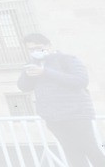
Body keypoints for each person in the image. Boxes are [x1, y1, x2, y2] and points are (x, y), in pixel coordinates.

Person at [17, 33, 105, 166]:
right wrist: (28, 73)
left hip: (77, 115)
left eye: (38, 47)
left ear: (49, 45)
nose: (35, 51)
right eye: (31, 49)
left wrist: (45, 72)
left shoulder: (67, 59)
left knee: (90, 149)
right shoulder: (32, 64)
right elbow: (23, 87)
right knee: (72, 153)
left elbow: (81, 81)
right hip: (54, 118)